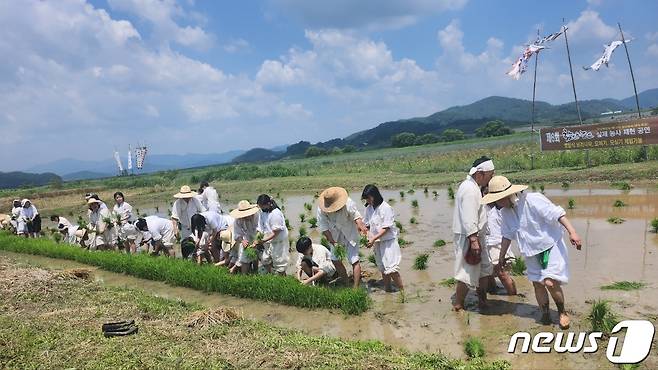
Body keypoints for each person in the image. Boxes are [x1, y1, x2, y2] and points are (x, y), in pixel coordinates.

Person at [483, 176, 582, 329]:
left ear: (509, 194)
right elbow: (507, 235)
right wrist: (501, 257)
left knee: (550, 282)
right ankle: (545, 313)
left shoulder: (533, 200)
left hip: (549, 247)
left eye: (499, 199)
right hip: (530, 252)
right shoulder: (506, 212)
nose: (498, 203)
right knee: (538, 284)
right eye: (496, 200)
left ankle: (562, 312)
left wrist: (572, 232)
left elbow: (557, 214)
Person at [452, 156, 495, 311]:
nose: (491, 179)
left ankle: (482, 301)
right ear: (480, 174)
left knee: (484, 270)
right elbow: (469, 217)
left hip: (476, 236)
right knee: (466, 272)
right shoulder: (469, 189)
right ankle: (459, 304)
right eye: (490, 176)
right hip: (469, 237)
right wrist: (473, 240)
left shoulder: (474, 187)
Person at [317, 186, 368, 289]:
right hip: (334, 235)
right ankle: (346, 282)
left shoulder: (348, 202)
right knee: (335, 260)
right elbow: (324, 227)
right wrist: (333, 241)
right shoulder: (321, 209)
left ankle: (355, 288)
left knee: (354, 260)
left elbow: (356, 216)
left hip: (349, 232)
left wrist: (361, 227)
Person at [362, 184, 404, 292]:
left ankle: (402, 291)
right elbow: (366, 226)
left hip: (388, 242)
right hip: (377, 242)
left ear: (375, 195)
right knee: (382, 268)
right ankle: (388, 290)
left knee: (391, 268)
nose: (368, 200)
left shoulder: (386, 208)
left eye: (369, 198)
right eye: (366, 198)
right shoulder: (369, 209)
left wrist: (373, 238)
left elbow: (386, 228)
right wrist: (368, 236)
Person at [485, 205, 517, 295]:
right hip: (486, 242)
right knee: (487, 273)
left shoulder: (502, 207)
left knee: (502, 273)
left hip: (499, 243)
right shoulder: (482, 207)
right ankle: (493, 291)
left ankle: (513, 296)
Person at [256, 194, 289, 276]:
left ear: (268, 204)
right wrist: (257, 239)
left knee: (280, 263)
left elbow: (276, 232)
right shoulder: (262, 213)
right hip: (268, 241)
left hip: (279, 242)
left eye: (262, 206)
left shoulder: (275, 214)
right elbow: (260, 228)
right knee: (265, 259)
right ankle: (273, 274)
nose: (261, 208)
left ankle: (282, 279)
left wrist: (263, 240)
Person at [171, 185, 206, 256]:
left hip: (196, 227)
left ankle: (199, 260)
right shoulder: (178, 203)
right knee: (185, 244)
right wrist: (175, 229)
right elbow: (174, 217)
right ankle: (187, 259)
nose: (187, 198)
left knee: (199, 244)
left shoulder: (195, 200)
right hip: (185, 228)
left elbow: (203, 212)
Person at [229, 200, 261, 274]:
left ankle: (255, 271)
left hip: (257, 236)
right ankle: (244, 276)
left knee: (255, 255)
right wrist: (242, 241)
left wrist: (256, 241)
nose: (245, 217)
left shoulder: (257, 216)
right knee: (244, 258)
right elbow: (237, 234)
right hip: (246, 238)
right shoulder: (238, 220)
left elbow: (260, 230)